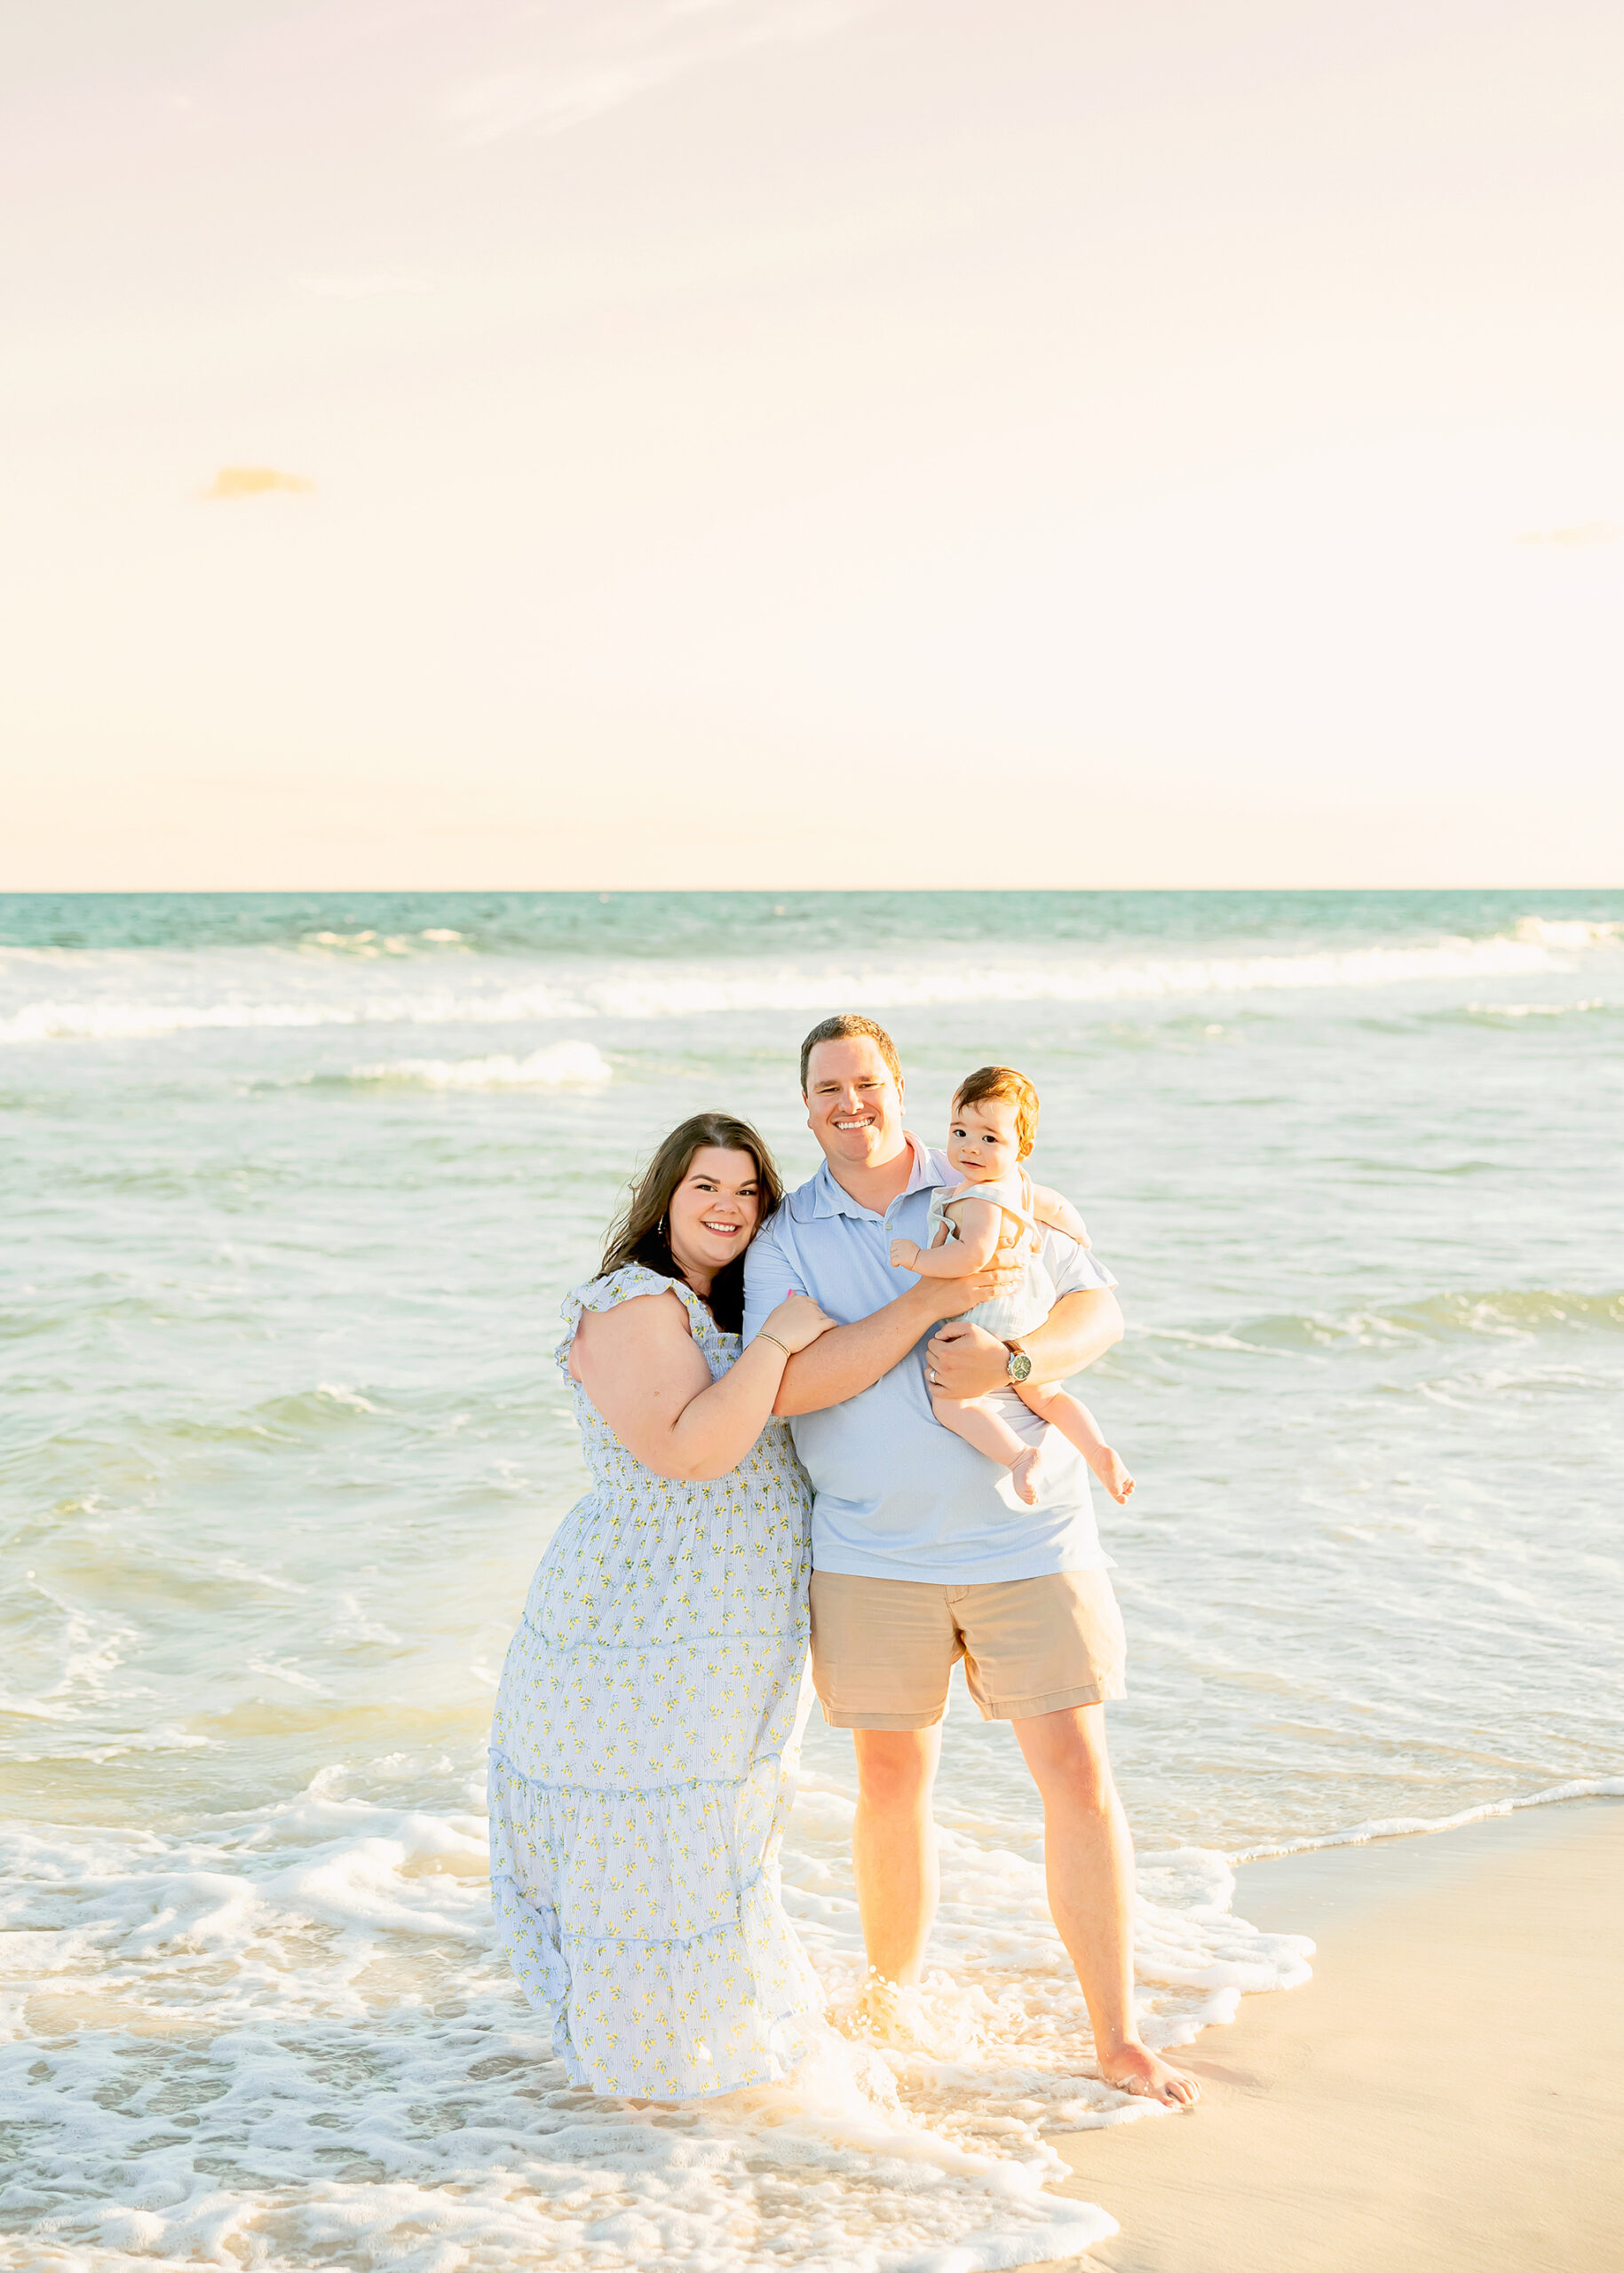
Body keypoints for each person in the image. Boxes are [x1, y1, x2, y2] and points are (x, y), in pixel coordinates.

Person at [741, 1016, 1198, 2108]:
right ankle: (891, 1996)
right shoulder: (785, 1237)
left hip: (1024, 1537)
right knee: (890, 1781)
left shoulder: (980, 1176)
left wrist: (1018, 1355)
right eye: (825, 1089)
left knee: (1077, 1778)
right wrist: (931, 1302)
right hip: (866, 1551)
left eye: (866, 1081)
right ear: (804, 1107)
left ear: (896, 1088)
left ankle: (1116, 2035)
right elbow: (788, 1388)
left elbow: (1098, 1309)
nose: (848, 1102)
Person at [487, 1113, 836, 2098]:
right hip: (640, 1623)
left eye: (745, 1191)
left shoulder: (734, 1303)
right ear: (664, 1198)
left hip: (735, 1624)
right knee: (655, 1841)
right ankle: (646, 2089)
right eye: (704, 1188)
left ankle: (716, 2058)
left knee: (721, 1837)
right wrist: (774, 1340)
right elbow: (690, 1451)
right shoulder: (634, 1301)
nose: (727, 1208)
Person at [889, 1064, 1135, 1509]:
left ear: (1023, 1146)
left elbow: (972, 1257)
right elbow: (1058, 1207)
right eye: (959, 1131)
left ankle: (1019, 1457)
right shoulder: (1020, 1186)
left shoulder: (979, 1197)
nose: (969, 1148)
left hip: (986, 1317)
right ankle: (1098, 1449)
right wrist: (1080, 1239)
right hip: (1028, 1310)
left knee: (952, 1401)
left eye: (989, 1138)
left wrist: (918, 1258)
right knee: (1047, 1392)